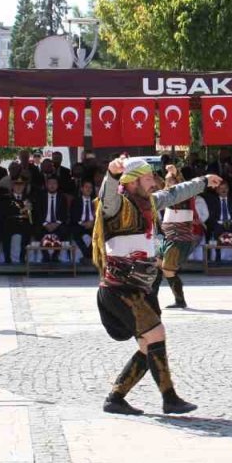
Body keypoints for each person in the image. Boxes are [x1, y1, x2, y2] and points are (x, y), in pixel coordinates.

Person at [93, 158, 217, 416]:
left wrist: (203, 182)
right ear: (133, 181)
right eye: (148, 178)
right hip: (120, 288)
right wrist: (111, 173)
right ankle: (169, 398)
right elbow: (106, 198)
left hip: (142, 288)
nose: (154, 183)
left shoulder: (149, 202)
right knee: (156, 334)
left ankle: (115, 398)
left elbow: (174, 193)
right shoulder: (117, 205)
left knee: (147, 345)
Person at [155, 165, 204, 309]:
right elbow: (161, 184)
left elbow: (183, 186)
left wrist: (176, 172)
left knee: (168, 270)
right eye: (167, 181)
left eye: (172, 181)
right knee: (156, 265)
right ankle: (151, 298)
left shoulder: (185, 195)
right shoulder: (167, 195)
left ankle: (180, 300)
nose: (168, 183)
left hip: (179, 239)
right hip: (167, 237)